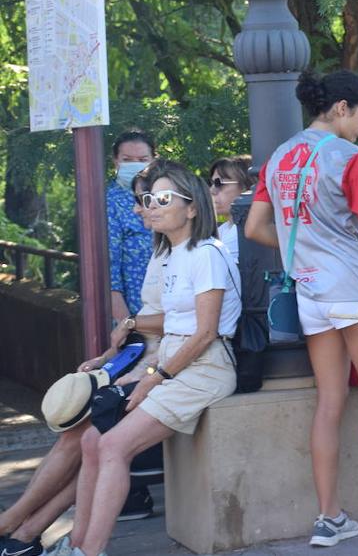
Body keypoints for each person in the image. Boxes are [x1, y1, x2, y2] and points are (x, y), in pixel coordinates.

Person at [244, 70, 358, 547]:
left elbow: (256, 227)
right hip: (354, 290)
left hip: (310, 291)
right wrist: (349, 253)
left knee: (330, 403)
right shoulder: (350, 156)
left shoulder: (278, 158)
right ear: (341, 108)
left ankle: (329, 518)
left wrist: (308, 250)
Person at [49, 162, 241, 556]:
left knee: (113, 445)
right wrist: (133, 340)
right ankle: (76, 542)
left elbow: (204, 332)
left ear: (192, 208)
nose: (151, 206)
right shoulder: (172, 253)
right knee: (91, 440)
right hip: (174, 364)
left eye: (163, 199)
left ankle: (88, 551)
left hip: (203, 368)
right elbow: (173, 322)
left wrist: (154, 377)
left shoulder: (207, 253)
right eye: (150, 199)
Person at [0, 165, 171, 556]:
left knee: (86, 434)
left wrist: (130, 330)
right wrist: (109, 356)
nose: (140, 210)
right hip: (142, 355)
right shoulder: (162, 250)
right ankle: (24, 528)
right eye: (140, 200)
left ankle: (19, 525)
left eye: (151, 200)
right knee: (79, 432)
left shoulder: (191, 253)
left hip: (164, 367)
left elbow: (187, 323)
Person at [106, 129, 156, 322]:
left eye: (143, 159)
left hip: (170, 312)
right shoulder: (109, 202)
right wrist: (128, 325)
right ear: (116, 162)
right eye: (127, 159)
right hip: (133, 312)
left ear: (153, 161)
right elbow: (110, 275)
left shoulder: (165, 197)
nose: (135, 165)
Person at [206, 155, 255, 264]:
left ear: (246, 187)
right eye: (212, 184)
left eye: (219, 184)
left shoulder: (242, 232)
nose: (211, 190)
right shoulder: (224, 229)